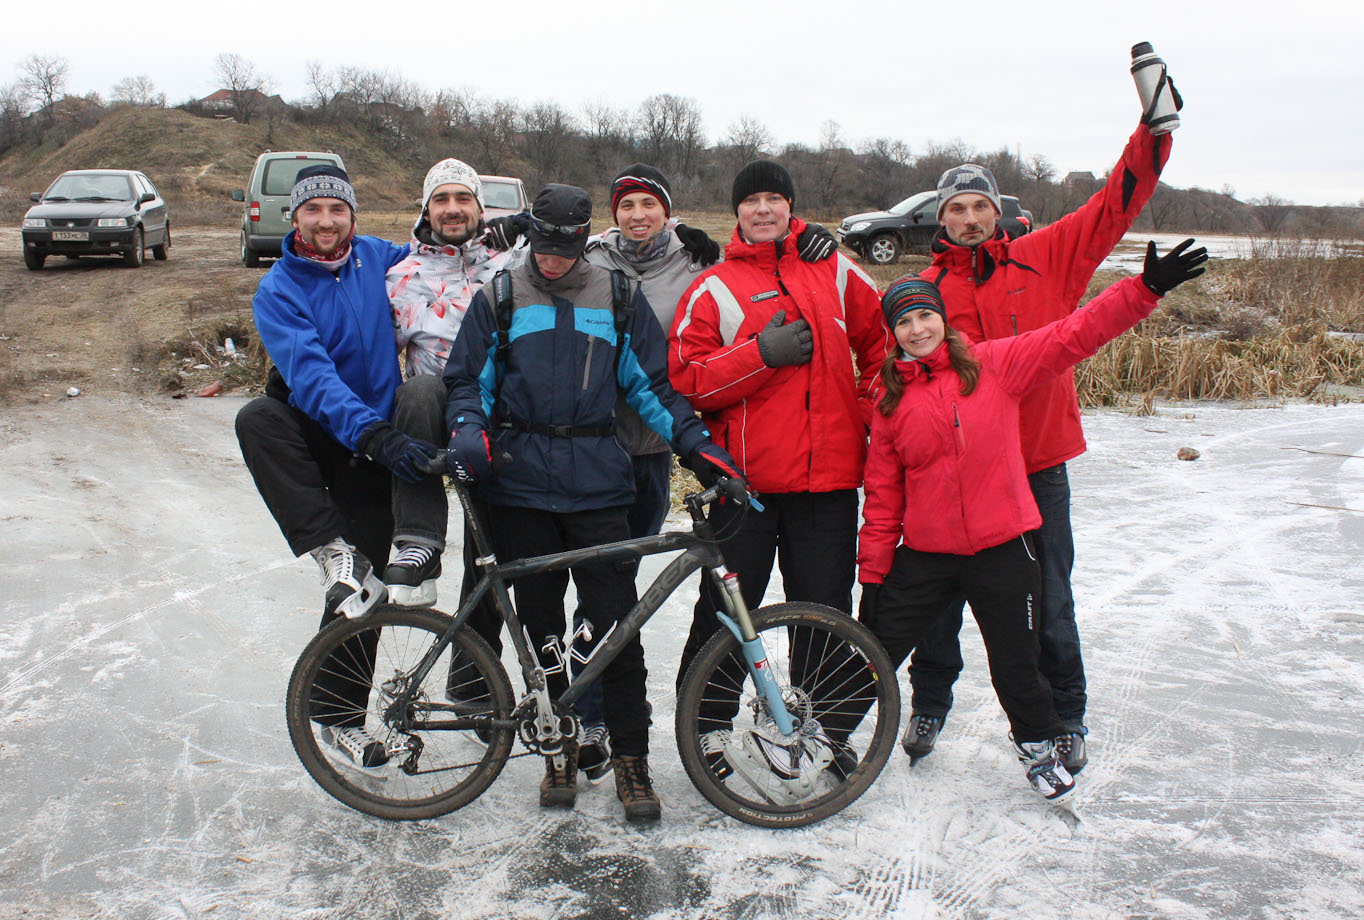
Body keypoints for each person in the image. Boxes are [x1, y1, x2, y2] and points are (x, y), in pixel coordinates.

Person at [857, 240, 1208, 802]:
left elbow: (1075, 333)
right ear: (892, 333)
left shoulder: (994, 365)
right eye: (904, 322)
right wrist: (874, 576)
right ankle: (821, 734)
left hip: (1001, 547)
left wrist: (1144, 289)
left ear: (942, 319)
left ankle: (1039, 748)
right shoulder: (891, 402)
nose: (917, 329)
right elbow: (882, 499)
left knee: (1017, 664)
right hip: (927, 553)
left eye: (925, 315)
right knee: (872, 650)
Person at [441, 183, 744, 824]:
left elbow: (652, 386)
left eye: (565, 249)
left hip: (600, 483)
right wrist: (467, 426)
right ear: (530, 237)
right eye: (543, 247)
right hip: (521, 485)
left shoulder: (618, 295)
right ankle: (560, 746)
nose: (552, 261)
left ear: (585, 240)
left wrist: (697, 447)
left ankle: (632, 758)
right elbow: (467, 379)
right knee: (544, 628)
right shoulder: (501, 294)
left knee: (615, 629)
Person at [903, 80, 1180, 773]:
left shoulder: (1048, 254)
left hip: (1037, 466)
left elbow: (1116, 202)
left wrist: (1153, 132)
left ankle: (1066, 716)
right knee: (938, 600)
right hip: (960, 476)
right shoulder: (927, 293)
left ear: (998, 210)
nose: (970, 218)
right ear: (941, 217)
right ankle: (930, 702)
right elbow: (895, 377)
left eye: (980, 206)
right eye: (957, 208)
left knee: (1051, 598)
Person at [565, 163, 839, 780]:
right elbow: (542, 262)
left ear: (668, 211)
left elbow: (767, 267)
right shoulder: (591, 259)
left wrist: (812, 237)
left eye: (649, 204)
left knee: (629, 590)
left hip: (657, 448)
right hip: (594, 448)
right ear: (613, 214)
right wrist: (504, 236)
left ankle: (803, 726)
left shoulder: (696, 263)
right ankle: (593, 713)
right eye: (627, 205)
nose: (638, 215)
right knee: (602, 592)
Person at [234, 164, 438, 767]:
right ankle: (329, 548)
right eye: (313, 210)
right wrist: (374, 434)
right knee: (256, 418)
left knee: (363, 594)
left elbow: (446, 250)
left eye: (337, 209)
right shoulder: (279, 289)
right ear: (294, 216)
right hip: (324, 433)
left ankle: (338, 716)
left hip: (374, 447)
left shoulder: (380, 258)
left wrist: (520, 229)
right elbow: (313, 378)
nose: (326, 221)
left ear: (352, 215)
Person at [668, 159, 890, 687]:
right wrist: (760, 355)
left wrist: (862, 416)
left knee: (824, 614)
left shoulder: (836, 270)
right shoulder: (714, 287)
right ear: (737, 212)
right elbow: (688, 379)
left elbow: (888, 347)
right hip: (746, 488)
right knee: (726, 614)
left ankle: (818, 724)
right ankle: (708, 724)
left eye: (774, 199)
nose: (763, 209)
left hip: (827, 486)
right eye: (751, 201)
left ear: (791, 206)